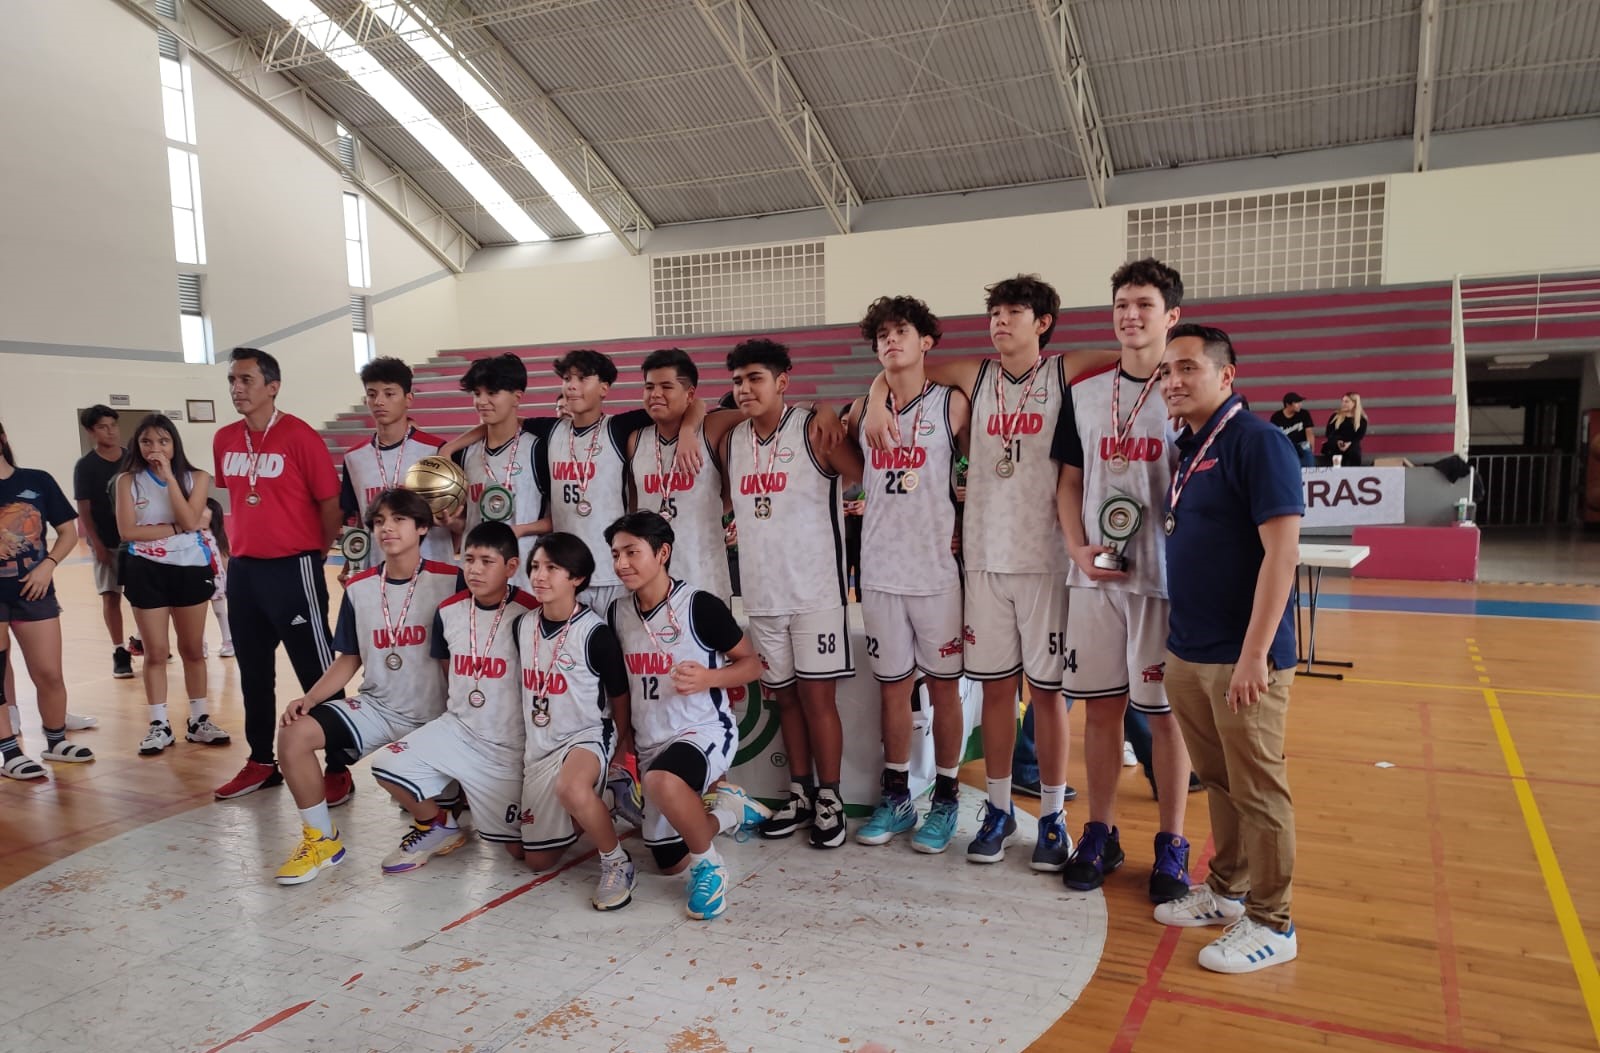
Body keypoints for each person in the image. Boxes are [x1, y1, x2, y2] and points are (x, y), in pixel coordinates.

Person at [863, 275, 1114, 868]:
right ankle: (998, 810)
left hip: (1046, 560)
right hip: (980, 561)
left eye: (1015, 312)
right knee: (998, 693)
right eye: (995, 312)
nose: (1001, 321)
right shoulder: (972, 376)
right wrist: (875, 398)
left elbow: (1137, 355)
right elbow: (900, 367)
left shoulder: (1064, 369)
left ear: (1043, 322)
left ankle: (1052, 817)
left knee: (1048, 698)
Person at [1155, 323, 1304, 973]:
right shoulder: (1188, 448)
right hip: (1190, 649)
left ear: (1226, 375)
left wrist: (1255, 654)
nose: (1174, 381)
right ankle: (1226, 888)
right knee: (1217, 779)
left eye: (1187, 367)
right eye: (1166, 371)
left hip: (1241, 657)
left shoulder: (1258, 442)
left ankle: (1274, 920)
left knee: (1258, 787)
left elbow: (1283, 553)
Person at [1052, 258, 1195, 902]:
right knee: (1101, 714)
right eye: (1120, 305)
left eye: (1143, 304)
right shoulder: (1084, 393)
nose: (1129, 315)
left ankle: (1172, 842)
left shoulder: (1187, 393)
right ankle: (1101, 832)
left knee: (1164, 718)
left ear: (1171, 316)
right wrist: (1077, 548)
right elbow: (1069, 483)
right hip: (1096, 580)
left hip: (1163, 581)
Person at [272, 489, 459, 884]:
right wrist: (308, 699)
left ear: (423, 527)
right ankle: (321, 838)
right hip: (378, 707)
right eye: (378, 522)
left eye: (398, 520)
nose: (387, 528)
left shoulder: (451, 581)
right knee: (293, 734)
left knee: (393, 770)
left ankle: (438, 819)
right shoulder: (358, 587)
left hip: (436, 716)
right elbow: (349, 659)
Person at [721, 339, 863, 849]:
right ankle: (800, 793)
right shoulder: (732, 438)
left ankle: (831, 797)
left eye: (756, 378)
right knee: (786, 701)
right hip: (762, 595)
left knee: (819, 699)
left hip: (816, 592)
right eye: (738, 380)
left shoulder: (813, 428)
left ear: (783, 380)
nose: (745, 388)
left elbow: (861, 475)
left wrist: (828, 408)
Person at [842, 295, 970, 853]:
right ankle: (895, 796)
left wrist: (966, 519)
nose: (890, 342)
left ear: (927, 342)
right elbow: (849, 465)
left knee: (944, 689)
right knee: (891, 689)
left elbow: (978, 472)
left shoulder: (953, 405)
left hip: (937, 569)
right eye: (881, 336)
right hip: (880, 569)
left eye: (902, 332)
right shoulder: (859, 413)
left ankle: (944, 798)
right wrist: (873, 398)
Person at [607, 511, 767, 919]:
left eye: (631, 552)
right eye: (615, 554)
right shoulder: (617, 613)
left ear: (662, 553)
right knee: (667, 861)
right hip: (650, 740)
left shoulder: (700, 605)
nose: (622, 564)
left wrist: (709, 678)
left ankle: (711, 868)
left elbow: (753, 665)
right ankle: (729, 811)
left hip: (703, 729)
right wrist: (621, 744)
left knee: (665, 782)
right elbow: (621, 689)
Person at [211, 347, 343, 800]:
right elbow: (233, 500)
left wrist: (317, 553)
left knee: (316, 669)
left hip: (294, 567)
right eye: (232, 380)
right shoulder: (224, 438)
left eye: (246, 380)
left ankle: (339, 763)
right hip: (244, 571)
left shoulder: (300, 436)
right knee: (252, 672)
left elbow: (331, 504)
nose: (236, 389)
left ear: (273, 386)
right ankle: (261, 761)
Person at [371, 522, 535, 873]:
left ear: (511, 567)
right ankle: (438, 826)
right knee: (387, 765)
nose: (474, 570)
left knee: (522, 854)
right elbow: (449, 670)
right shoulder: (448, 610)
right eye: (469, 559)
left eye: (487, 561)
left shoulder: (530, 614)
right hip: (458, 730)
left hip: (507, 747)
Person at [511, 532, 634, 910]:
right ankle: (607, 797)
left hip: (587, 735)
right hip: (541, 745)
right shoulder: (523, 626)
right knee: (535, 860)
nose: (539, 576)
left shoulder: (594, 633)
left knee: (571, 788)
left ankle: (617, 861)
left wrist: (619, 746)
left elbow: (619, 696)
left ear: (577, 578)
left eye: (552, 568)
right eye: (534, 567)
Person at [114, 413, 232, 757]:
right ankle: (159, 724)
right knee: (154, 651)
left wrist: (168, 480)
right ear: (138, 445)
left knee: (193, 649)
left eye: (163, 441)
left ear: (174, 444)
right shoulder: (127, 481)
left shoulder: (197, 477)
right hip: (144, 568)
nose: (155, 448)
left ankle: (198, 720)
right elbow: (129, 531)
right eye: (147, 441)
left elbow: (191, 517)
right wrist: (180, 530)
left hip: (189, 568)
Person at [0, 420, 95, 778]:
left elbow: (68, 531)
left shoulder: (36, 480)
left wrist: (48, 566)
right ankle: (9, 752)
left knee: (49, 673)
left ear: (3, 437)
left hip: (34, 593)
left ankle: (56, 741)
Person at [625, 349, 735, 604]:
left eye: (666, 386)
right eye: (649, 386)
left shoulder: (712, 429)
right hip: (651, 581)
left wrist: (688, 428)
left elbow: (765, 414)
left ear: (690, 394)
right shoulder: (635, 440)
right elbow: (633, 508)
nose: (655, 394)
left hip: (704, 578)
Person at [339, 357, 454, 576]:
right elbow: (355, 520)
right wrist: (350, 566)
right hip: (377, 571)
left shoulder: (436, 451)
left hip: (432, 571)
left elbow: (458, 518)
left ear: (408, 399)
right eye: (372, 394)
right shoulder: (354, 457)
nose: (379, 401)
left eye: (389, 394)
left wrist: (451, 521)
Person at [447, 353, 550, 589]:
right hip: (475, 575)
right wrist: (451, 521)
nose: (482, 401)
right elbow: (465, 521)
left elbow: (561, 518)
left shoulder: (538, 449)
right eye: (477, 393)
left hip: (524, 576)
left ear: (517, 397)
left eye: (492, 393)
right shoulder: (464, 453)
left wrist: (520, 530)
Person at [73, 404, 135, 679]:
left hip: (136, 540)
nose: (110, 431)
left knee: (145, 597)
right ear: (90, 432)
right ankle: (119, 650)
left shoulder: (132, 458)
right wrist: (95, 543)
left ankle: (147, 640)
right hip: (107, 541)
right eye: (102, 427)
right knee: (111, 596)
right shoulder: (86, 466)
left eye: (113, 425)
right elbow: (84, 508)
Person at [200, 498, 234, 658]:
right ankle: (200, 644)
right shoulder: (190, 535)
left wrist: (231, 581)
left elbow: (225, 557)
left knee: (221, 611)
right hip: (197, 579)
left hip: (217, 579)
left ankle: (228, 641)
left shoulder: (217, 536)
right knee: (197, 615)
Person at [1320, 392, 1368, 467]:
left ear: (1354, 403)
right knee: (1333, 451)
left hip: (1351, 446)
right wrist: (1338, 441)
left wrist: (1349, 443)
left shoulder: (1362, 420)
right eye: (1343, 401)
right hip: (1335, 445)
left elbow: (1359, 436)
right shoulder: (1335, 416)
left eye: (1346, 401)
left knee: (1354, 451)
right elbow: (1328, 433)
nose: (1343, 403)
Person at [1270, 392, 1316, 468]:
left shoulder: (1304, 413)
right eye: (1297, 403)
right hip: (1285, 444)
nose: (1300, 404)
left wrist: (1311, 449)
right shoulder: (1276, 417)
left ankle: (1310, 474)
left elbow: (1309, 433)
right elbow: (1274, 436)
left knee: (1306, 447)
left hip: (1301, 443)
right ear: (1288, 405)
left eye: (1300, 402)